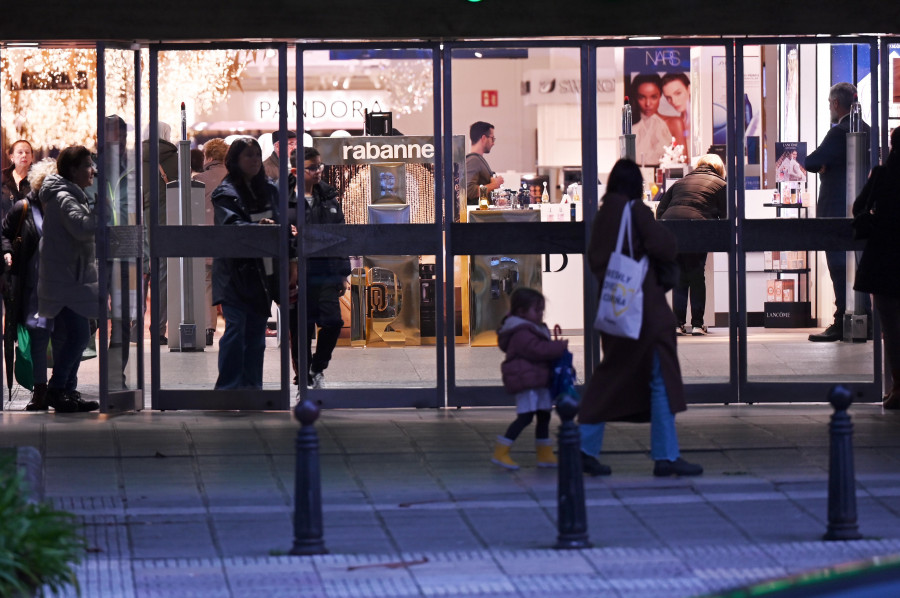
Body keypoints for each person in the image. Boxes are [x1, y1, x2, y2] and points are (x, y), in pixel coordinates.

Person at [578, 159, 702, 477]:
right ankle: (666, 456)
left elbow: (596, 257)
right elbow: (666, 244)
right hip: (645, 311)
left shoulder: (604, 214)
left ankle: (583, 447)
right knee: (661, 380)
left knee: (609, 376)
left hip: (616, 307)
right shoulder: (635, 211)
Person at [211, 137, 281, 390]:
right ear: (235, 160)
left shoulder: (269, 189)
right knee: (236, 331)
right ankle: (228, 391)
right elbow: (231, 228)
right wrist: (259, 227)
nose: (254, 160)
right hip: (235, 273)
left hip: (264, 272)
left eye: (256, 154)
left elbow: (281, 221)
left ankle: (253, 391)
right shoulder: (226, 192)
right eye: (248, 155)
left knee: (256, 336)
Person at [805, 82, 872, 342]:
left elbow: (810, 161)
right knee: (861, 265)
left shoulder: (838, 132)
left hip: (836, 210)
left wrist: (825, 167)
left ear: (835, 103)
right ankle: (866, 318)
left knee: (838, 265)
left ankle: (842, 319)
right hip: (863, 211)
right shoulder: (868, 130)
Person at [36, 145, 100, 413]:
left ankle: (67, 392)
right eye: (87, 165)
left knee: (75, 335)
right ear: (72, 170)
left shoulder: (68, 195)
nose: (92, 170)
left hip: (68, 278)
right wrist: (101, 213)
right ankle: (58, 388)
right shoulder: (64, 198)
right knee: (78, 335)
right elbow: (82, 228)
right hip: (67, 281)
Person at [491, 287, 568, 470]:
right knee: (525, 417)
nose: (541, 314)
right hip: (526, 381)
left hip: (538, 380)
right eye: (537, 310)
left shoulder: (535, 328)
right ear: (521, 311)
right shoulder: (520, 331)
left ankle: (545, 454)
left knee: (544, 415)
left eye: (542, 310)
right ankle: (501, 451)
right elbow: (536, 350)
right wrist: (557, 348)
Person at [1, 159, 56, 410]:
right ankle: (41, 390)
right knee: (38, 337)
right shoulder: (23, 208)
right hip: (32, 282)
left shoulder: (62, 207)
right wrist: (7, 251)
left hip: (58, 280)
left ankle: (60, 386)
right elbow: (4, 233)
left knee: (66, 335)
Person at [853, 127, 900, 408]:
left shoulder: (883, 175)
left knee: (892, 329)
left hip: (884, 259)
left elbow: (859, 206)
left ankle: (898, 387)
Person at [656, 153, 728, 335]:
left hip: (671, 227)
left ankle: (677, 324)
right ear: (719, 168)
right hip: (697, 228)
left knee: (679, 276)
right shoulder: (721, 185)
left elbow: (661, 209)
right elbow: (727, 216)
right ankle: (697, 324)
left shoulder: (680, 182)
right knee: (696, 276)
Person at [302, 146, 350, 388]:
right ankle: (303, 377)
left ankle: (317, 367)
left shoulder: (329, 196)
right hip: (298, 273)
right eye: (312, 167)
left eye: (319, 166)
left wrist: (342, 273)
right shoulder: (285, 197)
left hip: (326, 271)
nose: (318, 171)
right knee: (302, 328)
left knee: (333, 322)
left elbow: (339, 236)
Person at [141, 122, 177, 345]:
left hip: (138, 221)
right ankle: (159, 329)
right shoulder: (175, 158)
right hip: (167, 224)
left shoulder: (133, 157)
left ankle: (134, 327)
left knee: (139, 273)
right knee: (163, 276)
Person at [192, 137, 229, 346]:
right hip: (230, 242)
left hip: (206, 241)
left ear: (210, 156)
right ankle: (232, 326)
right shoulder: (235, 178)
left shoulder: (198, 180)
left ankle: (208, 328)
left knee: (207, 284)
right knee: (230, 283)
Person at [631, 75, 684, 167]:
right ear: (636, 98)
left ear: (660, 96)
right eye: (642, 97)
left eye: (653, 97)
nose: (648, 103)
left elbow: (683, 162)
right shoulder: (632, 127)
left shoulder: (674, 123)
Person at [465, 121, 504, 205]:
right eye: (492, 138)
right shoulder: (473, 161)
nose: (493, 143)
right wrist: (494, 184)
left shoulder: (477, 159)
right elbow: (469, 191)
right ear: (483, 138)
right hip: (476, 216)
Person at [661, 73, 692, 159]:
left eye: (678, 93)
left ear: (689, 89)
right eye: (668, 97)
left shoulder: (704, 121)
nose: (673, 101)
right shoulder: (674, 123)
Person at [2, 140, 34, 215]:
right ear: (11, 157)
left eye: (27, 152)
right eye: (20, 152)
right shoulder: (3, 176)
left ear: (32, 157)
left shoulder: (38, 179)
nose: (24, 155)